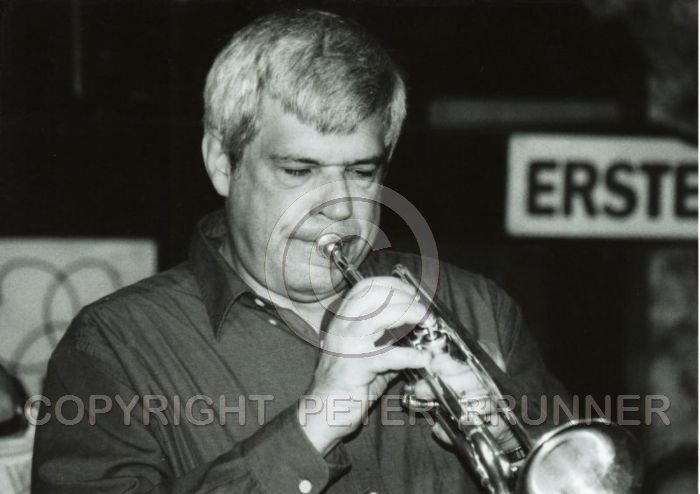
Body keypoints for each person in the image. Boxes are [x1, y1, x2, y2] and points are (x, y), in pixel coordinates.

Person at [32, 9, 565, 493]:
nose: (339, 206)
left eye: (361, 171)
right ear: (222, 163)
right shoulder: (114, 348)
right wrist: (313, 423)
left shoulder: (479, 308)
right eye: (298, 171)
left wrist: (513, 443)